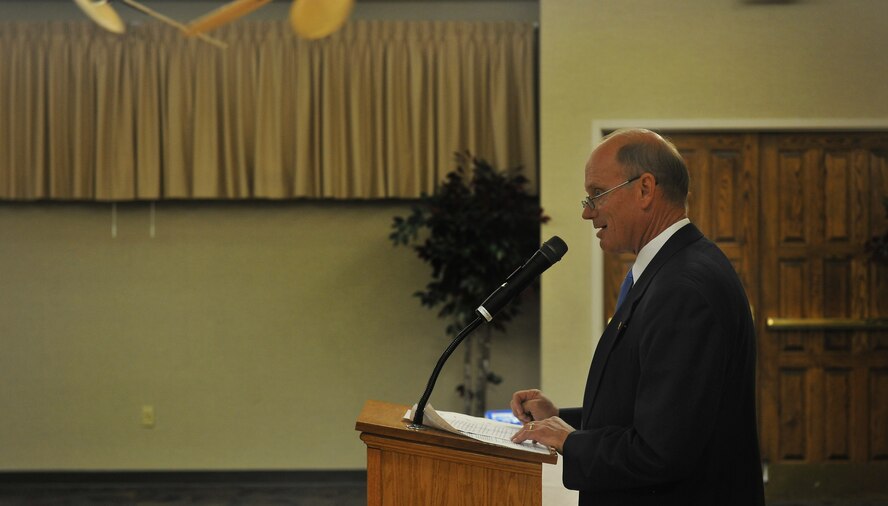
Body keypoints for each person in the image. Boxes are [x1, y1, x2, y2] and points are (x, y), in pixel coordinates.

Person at [510, 129, 765, 505]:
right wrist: (562, 419)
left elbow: (662, 451)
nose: (586, 211)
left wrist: (571, 442)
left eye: (597, 194)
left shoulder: (684, 288)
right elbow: (657, 410)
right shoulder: (671, 270)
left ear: (645, 189)